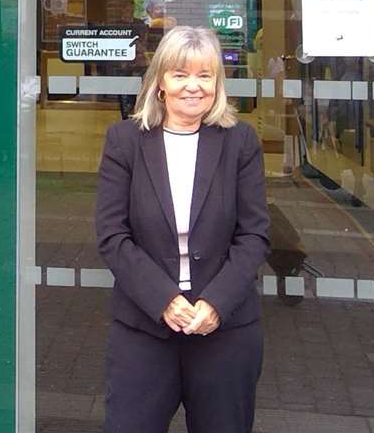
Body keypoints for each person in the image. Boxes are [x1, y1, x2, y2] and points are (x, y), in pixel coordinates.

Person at [94, 25, 270, 433]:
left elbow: (254, 235)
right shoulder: (124, 141)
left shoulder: (240, 142)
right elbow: (111, 235)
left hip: (224, 329)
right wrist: (164, 299)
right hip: (144, 327)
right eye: (180, 75)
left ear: (217, 84)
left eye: (205, 76)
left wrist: (216, 304)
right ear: (159, 83)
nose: (193, 86)